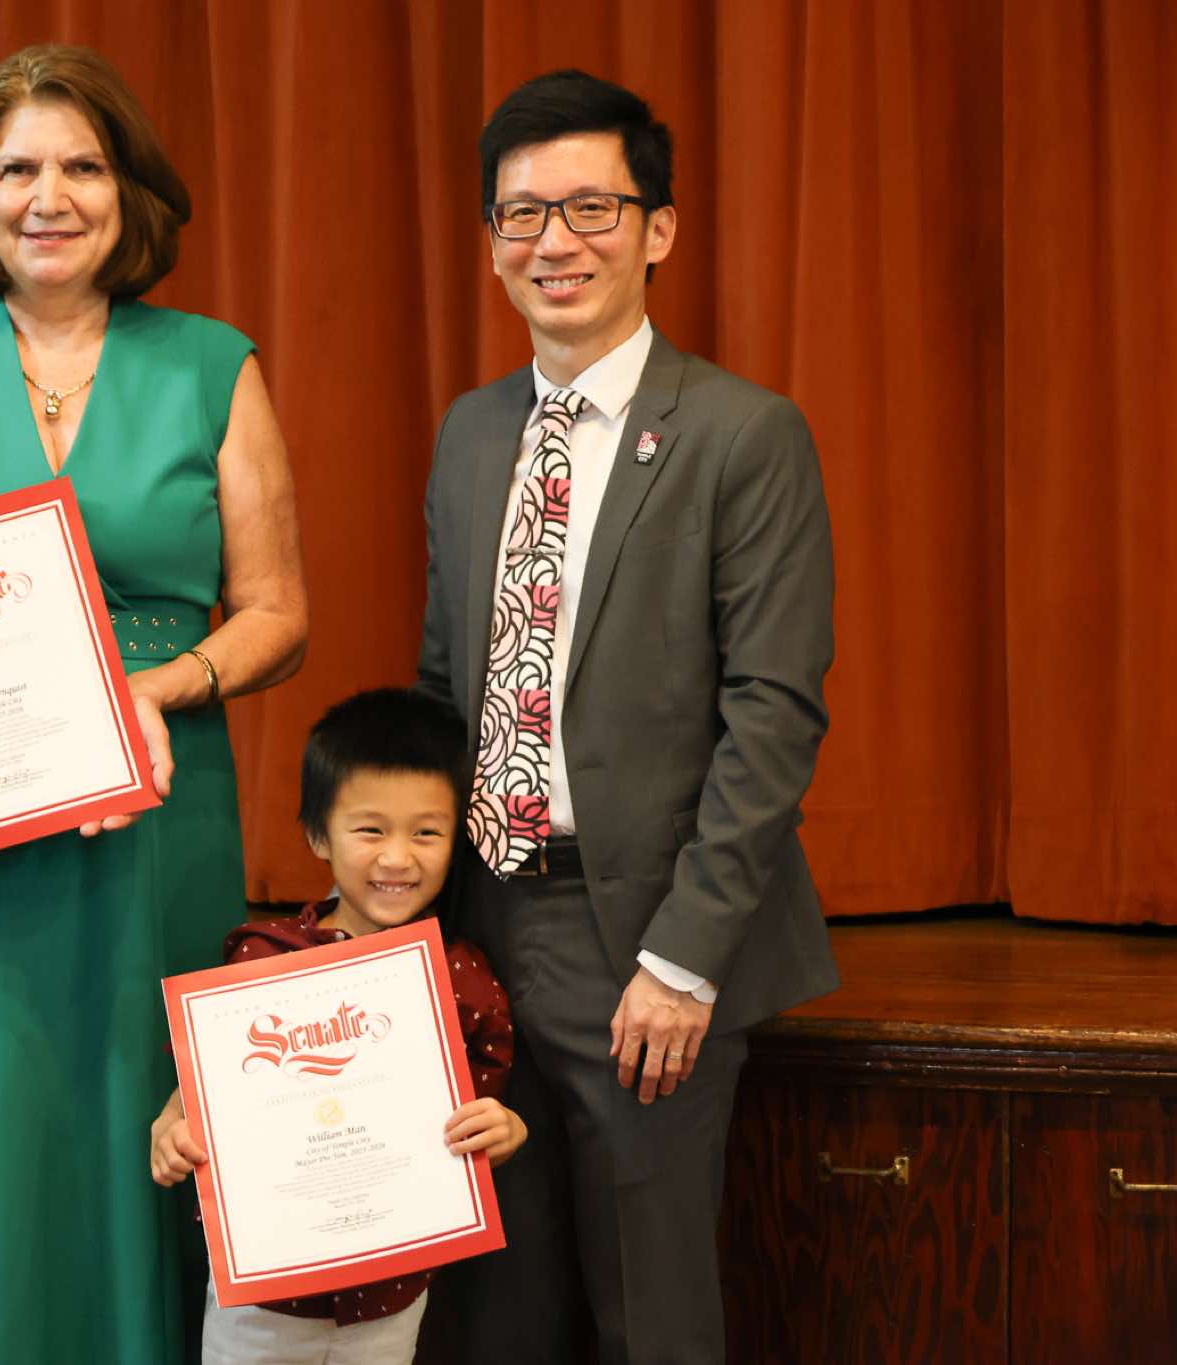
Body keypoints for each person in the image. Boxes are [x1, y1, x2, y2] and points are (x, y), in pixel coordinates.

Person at [0, 44, 308, 1365]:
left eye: (83, 166)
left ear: (130, 192)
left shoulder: (214, 367)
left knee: (124, 1117)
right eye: (17, 168)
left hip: (148, 812)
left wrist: (149, 688)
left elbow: (276, 612)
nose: (49, 196)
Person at [416, 70, 838, 1364]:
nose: (553, 242)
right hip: (484, 928)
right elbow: (444, 686)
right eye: (521, 214)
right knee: (500, 1319)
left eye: (590, 208)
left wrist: (684, 960)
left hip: (645, 945)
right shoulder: (472, 434)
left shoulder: (742, 435)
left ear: (657, 229)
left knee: (652, 1322)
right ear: (491, 240)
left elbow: (772, 714)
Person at [149, 687, 526, 1365]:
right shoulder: (262, 962)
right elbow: (206, 1095)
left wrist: (505, 1129)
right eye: (371, 830)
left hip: (391, 1298)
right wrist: (173, 1126)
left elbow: (475, 1115)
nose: (398, 858)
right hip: (264, 1304)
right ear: (319, 834)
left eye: (426, 832)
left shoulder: (462, 978)